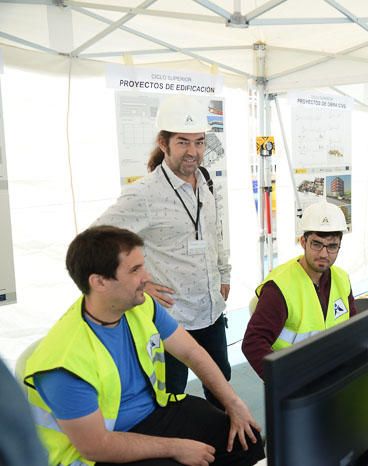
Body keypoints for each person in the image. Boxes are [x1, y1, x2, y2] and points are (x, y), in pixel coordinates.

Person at [23, 226, 264, 466]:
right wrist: (177, 447)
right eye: (135, 270)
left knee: (246, 439)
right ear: (99, 282)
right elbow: (96, 446)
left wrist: (234, 404)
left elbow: (191, 352)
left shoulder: (141, 306)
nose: (147, 277)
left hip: (155, 412)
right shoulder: (63, 365)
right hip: (98, 452)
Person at [93, 95, 231, 406]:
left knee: (221, 387)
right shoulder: (143, 194)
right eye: (183, 142)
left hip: (210, 311)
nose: (193, 152)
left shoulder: (206, 180)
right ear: (163, 142)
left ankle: (227, 451)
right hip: (170, 318)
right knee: (170, 398)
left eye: (199, 142)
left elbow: (214, 232)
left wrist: (224, 272)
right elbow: (94, 240)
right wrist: (137, 285)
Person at [242, 201, 358, 379]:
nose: (324, 254)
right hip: (295, 381)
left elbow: (354, 328)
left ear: (340, 245)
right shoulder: (280, 288)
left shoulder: (342, 279)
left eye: (332, 246)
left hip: (331, 375)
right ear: (303, 242)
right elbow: (253, 343)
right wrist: (285, 381)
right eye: (316, 244)